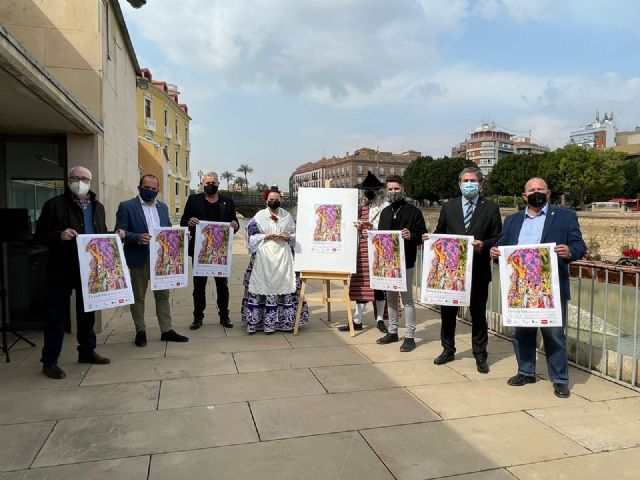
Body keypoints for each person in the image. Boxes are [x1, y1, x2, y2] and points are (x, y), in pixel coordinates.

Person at [490, 177, 586, 398]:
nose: (536, 192)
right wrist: (494, 253)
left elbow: (579, 245)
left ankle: (560, 379)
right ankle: (525, 371)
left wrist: (570, 252)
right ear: (524, 196)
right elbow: (501, 246)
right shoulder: (512, 220)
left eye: (540, 189)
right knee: (521, 332)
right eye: (531, 190)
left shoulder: (566, 216)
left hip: (550, 288)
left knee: (554, 335)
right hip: (519, 287)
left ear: (549, 193)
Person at [35, 166, 110, 379]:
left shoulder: (98, 207)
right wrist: (60, 234)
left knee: (87, 313)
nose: (80, 182)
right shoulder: (54, 205)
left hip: (89, 269)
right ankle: (49, 361)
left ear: (90, 182)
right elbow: (39, 235)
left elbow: (101, 234)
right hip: (62, 267)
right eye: (75, 178)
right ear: (68, 181)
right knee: (56, 315)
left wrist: (115, 236)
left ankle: (86, 351)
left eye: (84, 178)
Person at [429, 167, 502, 374]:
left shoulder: (491, 208)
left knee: (478, 315)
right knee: (447, 314)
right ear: (459, 183)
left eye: (473, 180)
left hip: (478, 270)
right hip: (451, 272)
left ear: (480, 184)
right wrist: (430, 240)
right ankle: (448, 349)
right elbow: (440, 233)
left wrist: (484, 245)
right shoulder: (449, 206)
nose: (469, 183)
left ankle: (480, 354)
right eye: (465, 180)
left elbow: (498, 237)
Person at [115, 174, 189, 347]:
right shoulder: (126, 206)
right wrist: (137, 237)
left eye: (153, 189)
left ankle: (167, 330)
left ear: (158, 190)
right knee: (138, 296)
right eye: (146, 188)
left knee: (163, 296)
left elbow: (168, 230)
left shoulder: (163, 207)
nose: (150, 191)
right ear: (139, 187)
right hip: (138, 257)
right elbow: (119, 231)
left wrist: (181, 236)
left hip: (161, 260)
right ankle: (140, 331)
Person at [241, 186, 309, 333]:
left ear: (281, 200)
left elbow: (296, 234)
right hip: (264, 256)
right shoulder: (259, 216)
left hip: (284, 256)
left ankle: (286, 322)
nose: (273, 202)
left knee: (286, 285)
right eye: (271, 199)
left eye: (276, 200)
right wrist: (265, 236)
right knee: (262, 285)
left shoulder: (287, 216)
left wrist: (288, 237)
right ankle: (259, 322)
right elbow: (250, 235)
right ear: (266, 200)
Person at [180, 171, 239, 329]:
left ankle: (224, 315)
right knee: (199, 286)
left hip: (221, 252)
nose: (210, 185)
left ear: (218, 183)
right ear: (202, 184)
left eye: (213, 182)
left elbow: (236, 223)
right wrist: (189, 222)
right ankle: (198, 317)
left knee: (222, 285)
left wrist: (235, 225)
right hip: (200, 251)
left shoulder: (227, 201)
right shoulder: (194, 200)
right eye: (207, 183)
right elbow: (183, 221)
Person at [376, 175, 427, 352]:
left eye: (396, 188)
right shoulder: (385, 212)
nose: (393, 192)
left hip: (407, 262)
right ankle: (392, 331)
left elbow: (423, 235)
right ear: (386, 191)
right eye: (390, 189)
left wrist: (411, 235)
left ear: (402, 189)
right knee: (390, 297)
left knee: (407, 299)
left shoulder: (414, 212)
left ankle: (410, 335)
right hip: (388, 264)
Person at [338, 172, 389, 333]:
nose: (368, 192)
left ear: (377, 190)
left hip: (379, 250)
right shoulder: (362, 207)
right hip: (362, 250)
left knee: (379, 286)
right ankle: (357, 320)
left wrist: (370, 227)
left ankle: (380, 319)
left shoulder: (385, 207)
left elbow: (388, 229)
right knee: (361, 285)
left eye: (371, 189)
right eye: (366, 189)